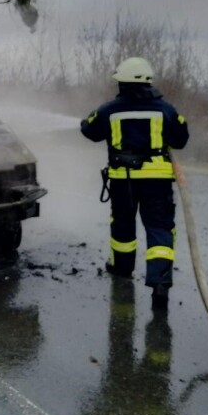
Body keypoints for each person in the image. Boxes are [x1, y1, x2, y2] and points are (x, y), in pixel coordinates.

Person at [81, 57, 189, 310]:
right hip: (158, 182)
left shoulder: (110, 110)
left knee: (123, 225)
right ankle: (160, 285)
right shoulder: (166, 110)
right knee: (160, 228)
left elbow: (89, 130)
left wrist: (90, 121)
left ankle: (122, 268)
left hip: (123, 181)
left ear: (122, 83)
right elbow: (181, 140)